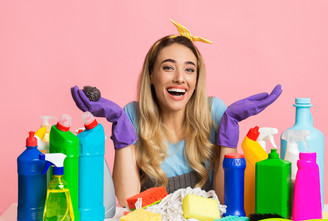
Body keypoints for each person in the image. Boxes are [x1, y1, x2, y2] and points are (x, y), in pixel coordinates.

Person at [71, 20, 282, 207]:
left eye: (189, 70)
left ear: (197, 79)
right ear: (151, 75)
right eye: (168, 68)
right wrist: (121, 126)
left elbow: (225, 200)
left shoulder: (215, 112)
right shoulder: (133, 115)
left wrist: (229, 130)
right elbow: (128, 199)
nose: (180, 78)